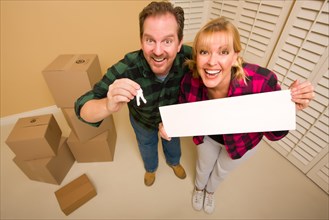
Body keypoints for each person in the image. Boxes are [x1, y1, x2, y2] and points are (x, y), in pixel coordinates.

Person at [159, 17, 315, 214]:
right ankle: (199, 188)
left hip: (243, 142)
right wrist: (170, 126)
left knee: (221, 171)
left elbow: (275, 135)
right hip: (208, 138)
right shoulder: (189, 81)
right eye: (204, 52)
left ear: (235, 56)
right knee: (203, 166)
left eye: (223, 52)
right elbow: (183, 111)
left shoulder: (261, 81)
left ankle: (210, 191)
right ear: (196, 56)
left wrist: (289, 108)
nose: (212, 61)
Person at [75, 1, 192, 187]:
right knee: (146, 146)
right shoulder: (127, 68)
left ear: (179, 43)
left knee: (173, 143)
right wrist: (107, 104)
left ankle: (174, 162)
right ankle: (151, 169)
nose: (158, 51)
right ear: (141, 40)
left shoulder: (191, 58)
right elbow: (82, 106)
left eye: (168, 41)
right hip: (142, 123)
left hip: (173, 121)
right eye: (150, 40)